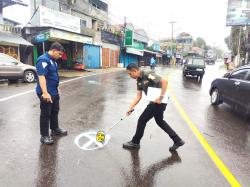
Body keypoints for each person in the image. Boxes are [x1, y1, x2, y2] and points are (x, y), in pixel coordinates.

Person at [123, 63, 185, 151]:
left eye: (130, 73)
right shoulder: (139, 80)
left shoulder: (147, 74)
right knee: (160, 121)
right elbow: (138, 96)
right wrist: (130, 108)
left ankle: (135, 142)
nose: (129, 75)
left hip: (159, 102)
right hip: (155, 102)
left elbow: (164, 81)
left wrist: (160, 97)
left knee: (142, 120)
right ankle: (177, 140)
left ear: (135, 70)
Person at [36, 42, 67, 145]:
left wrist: (57, 88)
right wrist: (45, 93)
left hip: (54, 91)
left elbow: (53, 76)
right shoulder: (43, 60)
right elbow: (42, 77)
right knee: (46, 114)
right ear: (53, 50)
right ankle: (44, 136)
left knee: (55, 110)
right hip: (46, 93)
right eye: (59, 54)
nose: (60, 56)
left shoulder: (53, 61)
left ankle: (54, 128)